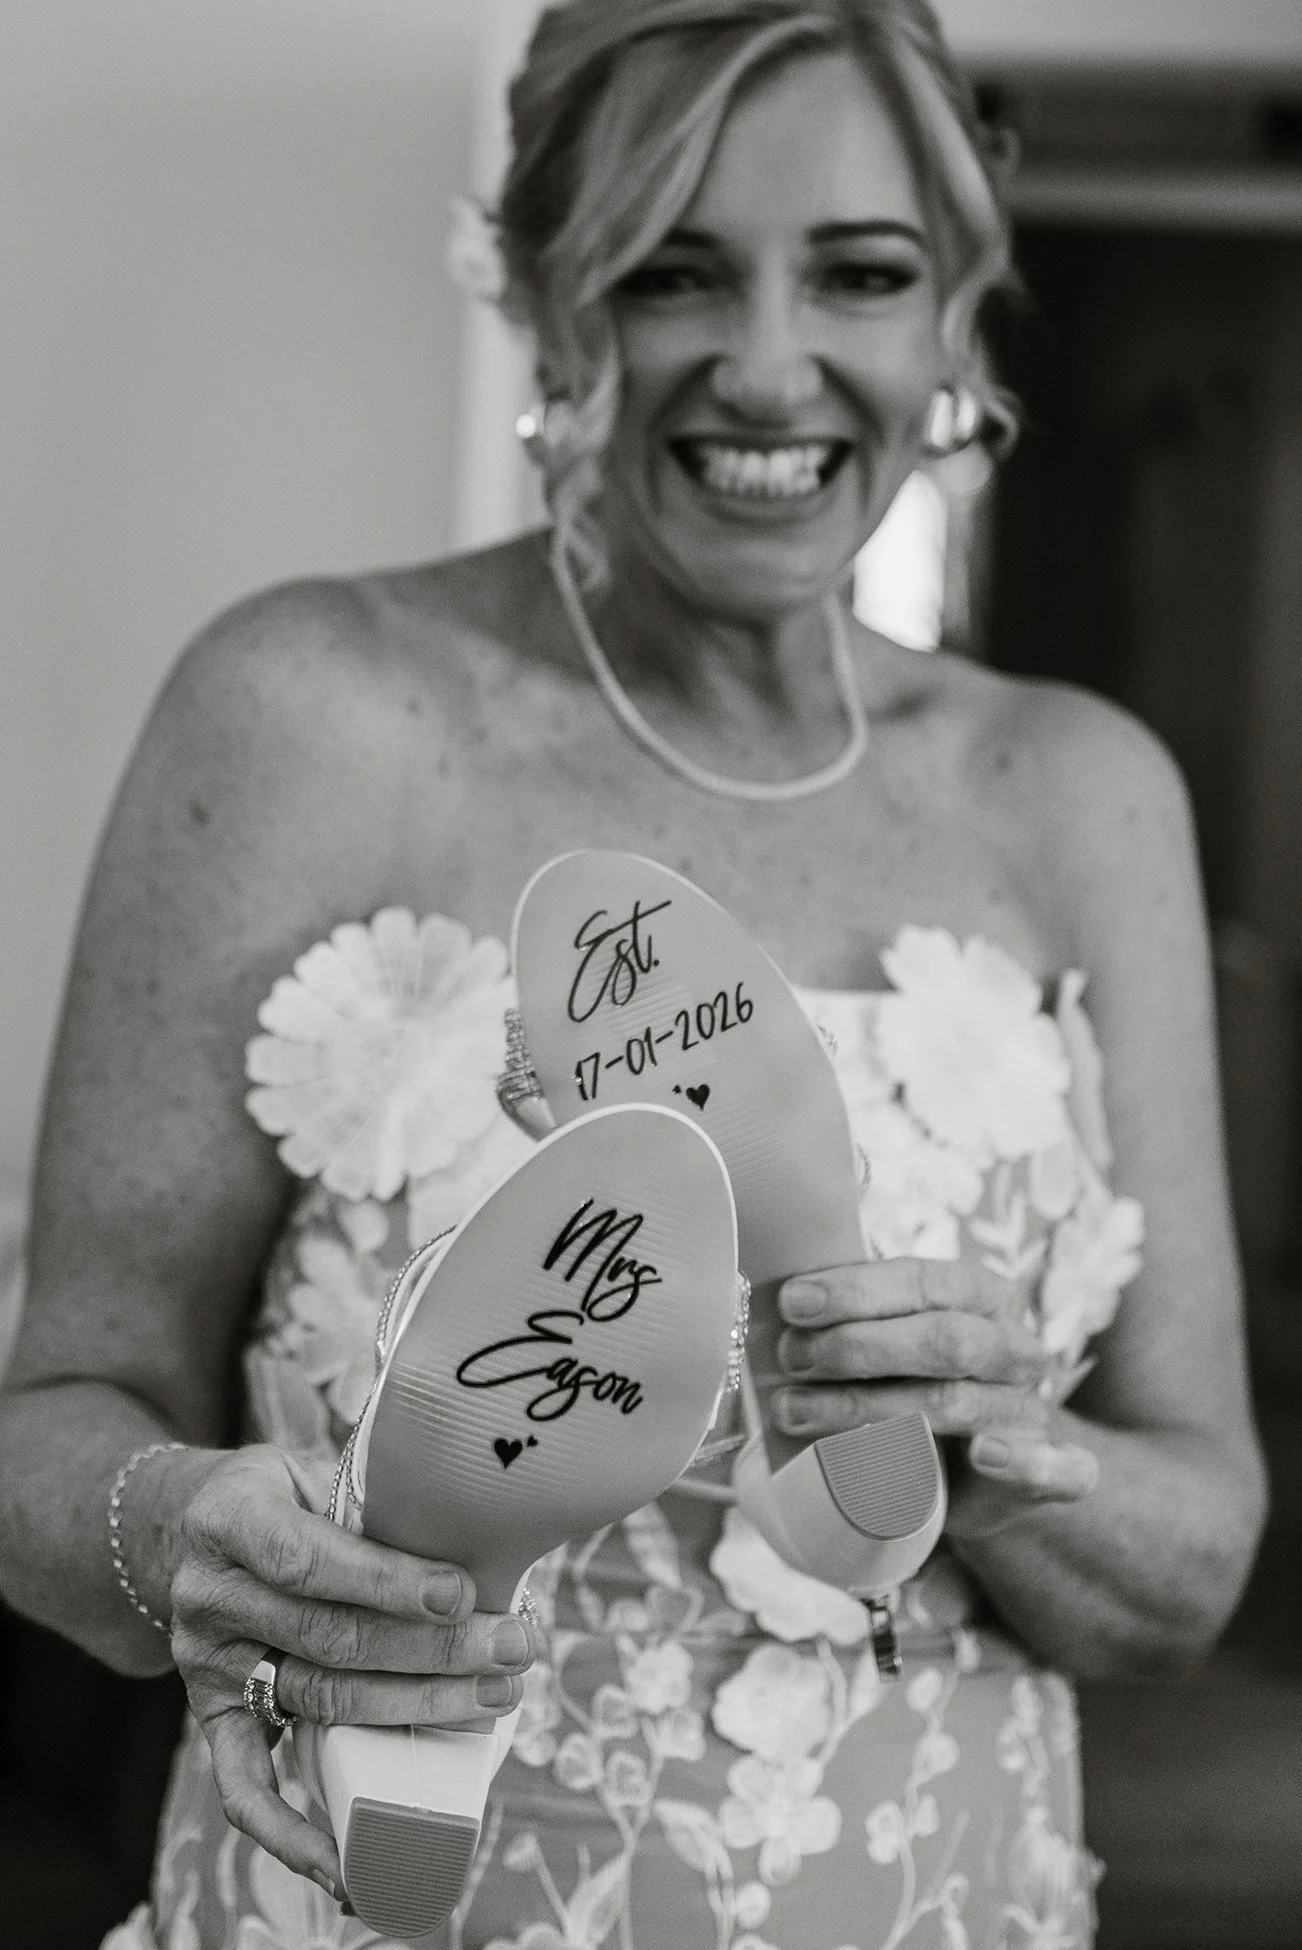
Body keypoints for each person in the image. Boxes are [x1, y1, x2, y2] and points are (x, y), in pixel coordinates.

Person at [0, 2, 1267, 1946]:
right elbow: (54, 1426)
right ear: (543, 296)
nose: (770, 365)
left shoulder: (1081, 795)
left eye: (862, 270)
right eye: (674, 268)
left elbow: (1191, 1577)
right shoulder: (303, 716)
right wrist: (172, 1536)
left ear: (955, 317)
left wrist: (998, 1450)